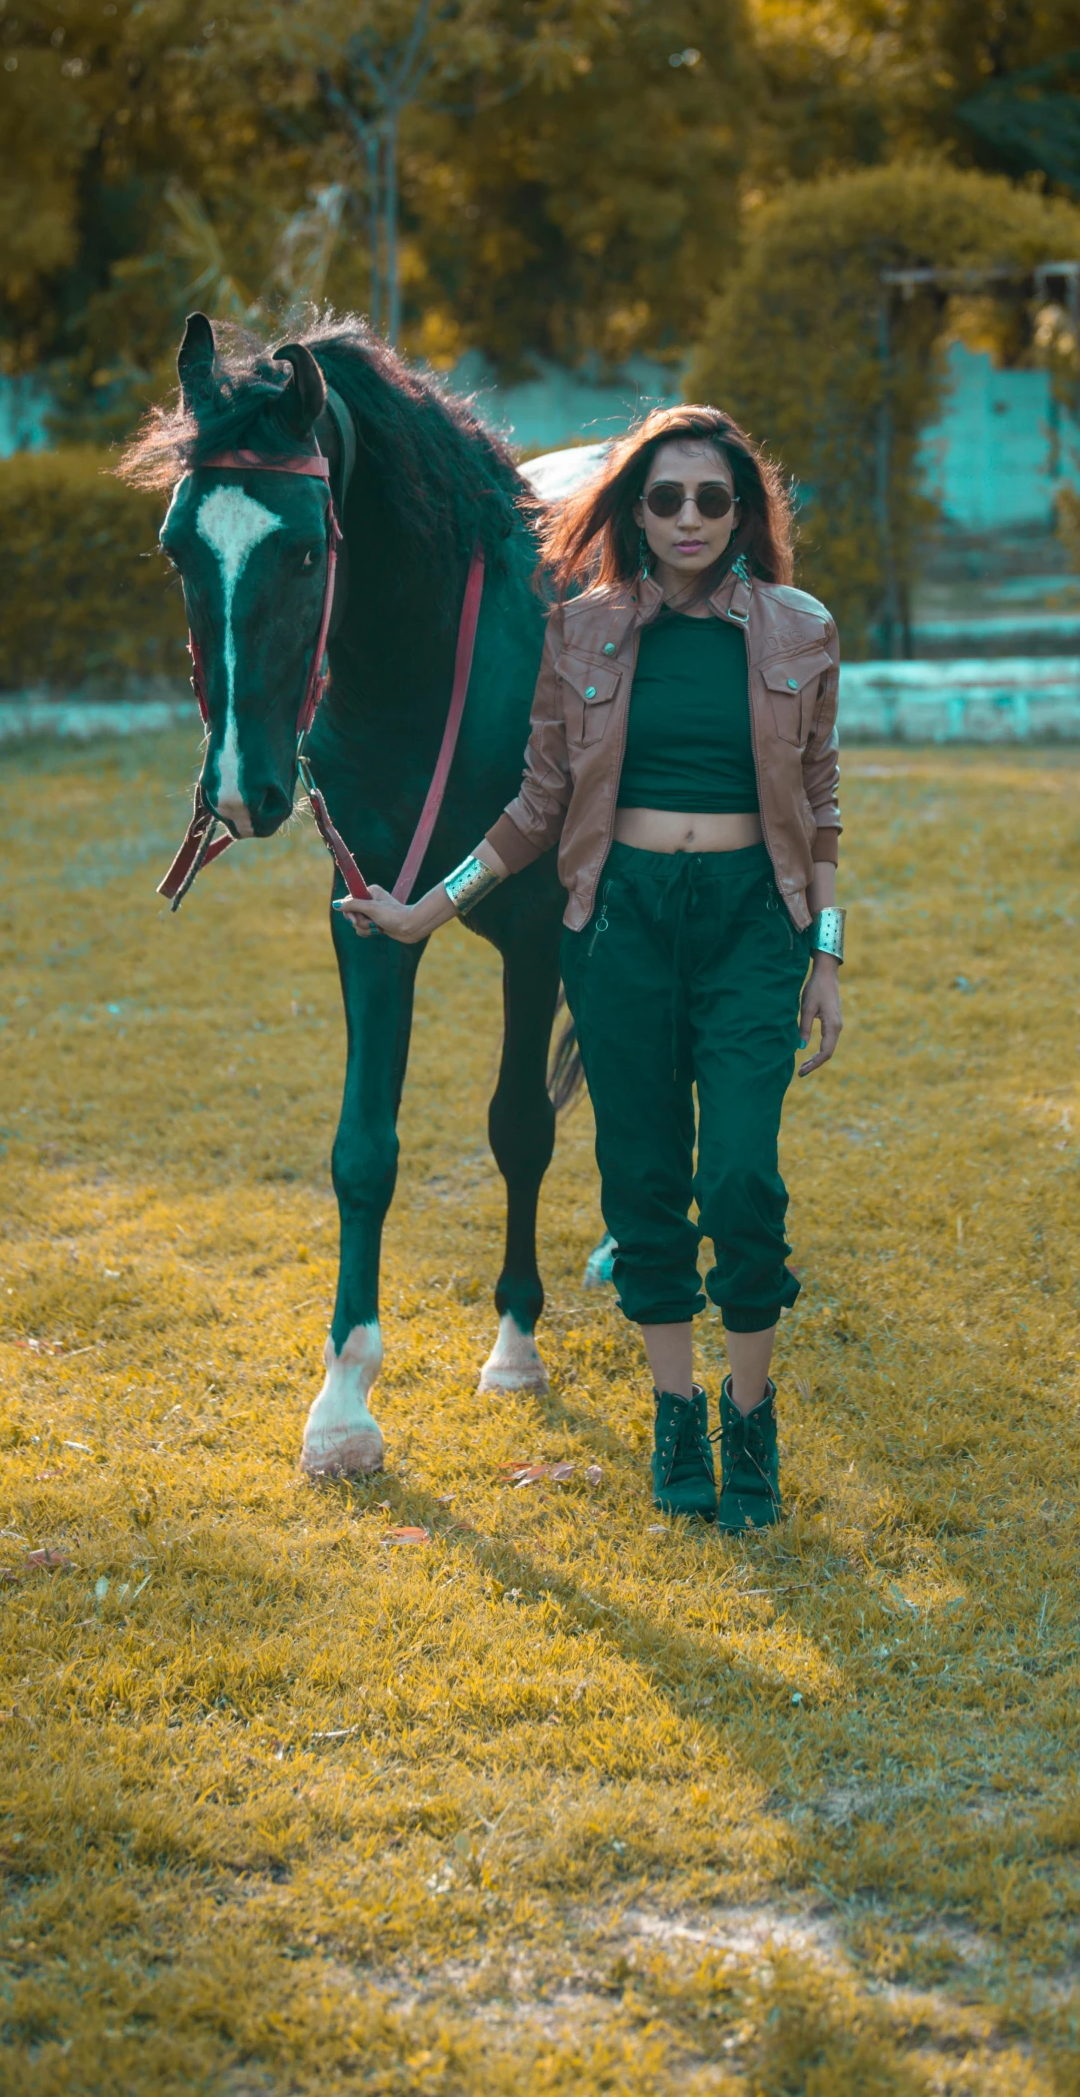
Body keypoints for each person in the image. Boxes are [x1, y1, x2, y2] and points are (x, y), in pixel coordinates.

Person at [336, 404, 844, 1531]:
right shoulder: (584, 633)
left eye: (713, 498)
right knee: (645, 1184)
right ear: (633, 511)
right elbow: (534, 809)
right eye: (664, 498)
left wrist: (827, 955)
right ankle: (677, 1414)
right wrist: (428, 908)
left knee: (745, 1183)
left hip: (752, 924)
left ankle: (749, 1417)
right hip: (618, 925)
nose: (688, 519)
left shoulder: (800, 628)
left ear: (743, 511)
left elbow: (820, 808)